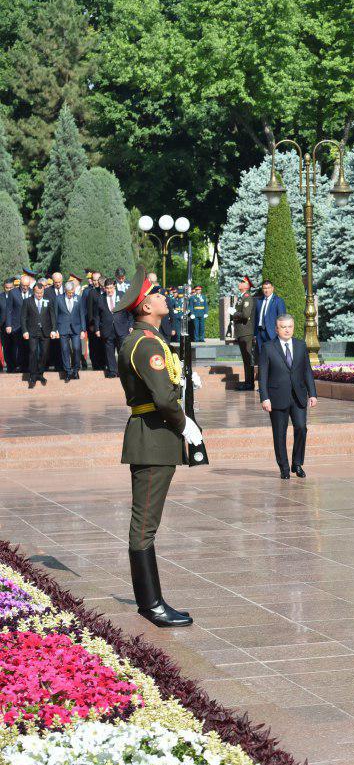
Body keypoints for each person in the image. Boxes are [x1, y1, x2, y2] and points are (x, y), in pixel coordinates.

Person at [116, 262, 197, 627]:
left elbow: (165, 384)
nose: (163, 295)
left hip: (154, 435)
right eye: (156, 292)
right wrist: (185, 425)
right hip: (153, 436)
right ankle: (151, 604)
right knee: (145, 524)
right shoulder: (144, 343)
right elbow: (162, 399)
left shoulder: (148, 340)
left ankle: (153, 600)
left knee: (147, 522)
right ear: (146, 307)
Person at [258, 314, 316, 480]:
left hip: (298, 395)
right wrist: (264, 397)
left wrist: (313, 393)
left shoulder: (300, 345)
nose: (287, 330)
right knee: (279, 433)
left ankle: (297, 463)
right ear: (277, 329)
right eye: (283, 327)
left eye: (289, 326)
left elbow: (307, 371)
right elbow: (262, 375)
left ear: (293, 327)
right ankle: (284, 467)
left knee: (301, 428)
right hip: (276, 397)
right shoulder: (268, 347)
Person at [21, 282, 57, 386]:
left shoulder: (48, 300)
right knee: (32, 352)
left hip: (45, 331)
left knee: (44, 353)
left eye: (41, 293)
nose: (39, 295)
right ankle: (32, 375)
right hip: (32, 331)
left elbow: (53, 316)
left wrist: (54, 329)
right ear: (33, 291)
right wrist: (24, 331)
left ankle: (40, 373)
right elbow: (23, 317)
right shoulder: (27, 301)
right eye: (37, 293)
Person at [94, 279, 129, 378]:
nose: (109, 290)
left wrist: (130, 325)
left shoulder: (122, 295)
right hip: (107, 328)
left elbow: (128, 311)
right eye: (107, 288)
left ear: (115, 287)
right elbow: (97, 315)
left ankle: (123, 371)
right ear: (104, 288)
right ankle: (112, 371)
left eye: (111, 288)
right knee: (109, 351)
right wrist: (97, 329)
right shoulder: (100, 298)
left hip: (121, 328)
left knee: (122, 351)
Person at [55, 277, 87, 380]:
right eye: (69, 293)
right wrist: (55, 329)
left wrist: (83, 329)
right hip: (63, 328)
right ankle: (68, 371)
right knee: (64, 350)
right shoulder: (58, 298)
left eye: (72, 292)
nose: (71, 294)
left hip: (76, 328)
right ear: (65, 291)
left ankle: (76, 370)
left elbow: (82, 313)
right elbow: (55, 314)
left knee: (77, 349)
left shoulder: (79, 298)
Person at [230, 276, 257, 390]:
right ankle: (248, 382)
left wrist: (234, 313)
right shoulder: (242, 298)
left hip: (246, 332)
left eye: (242, 282)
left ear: (247, 286)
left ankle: (249, 383)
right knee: (246, 359)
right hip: (242, 331)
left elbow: (245, 315)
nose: (239, 283)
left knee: (248, 357)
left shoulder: (247, 297)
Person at [4, 270, 33, 373]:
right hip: (16, 325)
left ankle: (29, 366)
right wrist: (8, 324)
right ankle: (20, 366)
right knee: (19, 347)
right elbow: (9, 310)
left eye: (27, 285)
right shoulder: (13, 292)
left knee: (30, 346)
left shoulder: (32, 292)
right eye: (23, 285)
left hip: (30, 325)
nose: (25, 288)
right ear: (20, 284)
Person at [254, 280, 285, 355]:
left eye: (268, 288)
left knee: (273, 354)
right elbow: (256, 318)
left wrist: (279, 332)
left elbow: (281, 318)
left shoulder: (278, 301)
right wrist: (255, 333)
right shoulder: (259, 301)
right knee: (262, 355)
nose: (266, 290)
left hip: (272, 333)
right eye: (264, 288)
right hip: (260, 332)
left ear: (272, 288)